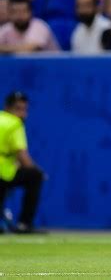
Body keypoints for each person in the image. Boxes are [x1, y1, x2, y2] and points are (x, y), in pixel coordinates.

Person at [0, 92, 45, 234]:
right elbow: (23, 157)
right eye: (18, 109)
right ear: (7, 108)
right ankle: (24, 224)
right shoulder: (14, 123)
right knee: (35, 176)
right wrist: (39, 171)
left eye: (24, 109)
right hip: (3, 173)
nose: (22, 114)